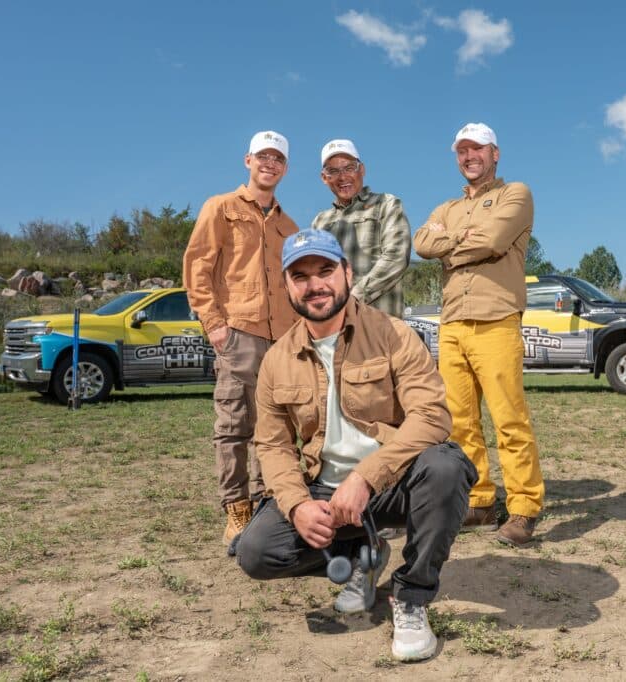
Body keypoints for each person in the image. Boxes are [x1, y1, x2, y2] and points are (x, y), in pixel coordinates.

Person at [237, 229, 476, 662]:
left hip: (391, 484)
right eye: (301, 276)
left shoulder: (394, 334)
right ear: (287, 286)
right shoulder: (276, 360)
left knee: (446, 467)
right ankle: (362, 556)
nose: (315, 285)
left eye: (325, 270)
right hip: (324, 492)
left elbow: (432, 416)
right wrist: (297, 505)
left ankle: (412, 598)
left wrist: (366, 477)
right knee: (256, 552)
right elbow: (272, 446)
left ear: (347, 273)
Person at [412, 122, 545, 547]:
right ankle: (481, 500)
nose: (470, 157)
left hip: (497, 319)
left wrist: (450, 243)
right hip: (452, 323)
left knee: (509, 419)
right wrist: (462, 239)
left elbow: (492, 240)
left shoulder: (516, 195)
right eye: (462, 151)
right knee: (459, 422)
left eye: (478, 149)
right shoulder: (447, 206)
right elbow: (420, 243)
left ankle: (524, 508)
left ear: (495, 153)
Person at [182, 130, 300, 545]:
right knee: (234, 423)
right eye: (263, 156)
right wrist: (214, 324)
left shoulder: (289, 225)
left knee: (277, 426)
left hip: (282, 339)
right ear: (248, 160)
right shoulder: (221, 208)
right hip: (239, 331)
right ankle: (237, 509)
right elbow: (197, 266)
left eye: (278, 159)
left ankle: (271, 504)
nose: (270, 163)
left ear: (285, 168)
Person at [311, 139, 411, 317]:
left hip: (379, 324)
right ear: (324, 178)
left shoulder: (386, 204)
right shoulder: (320, 221)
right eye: (333, 171)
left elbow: (396, 257)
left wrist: (353, 298)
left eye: (349, 168)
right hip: (333, 327)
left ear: (362, 169)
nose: (342, 177)